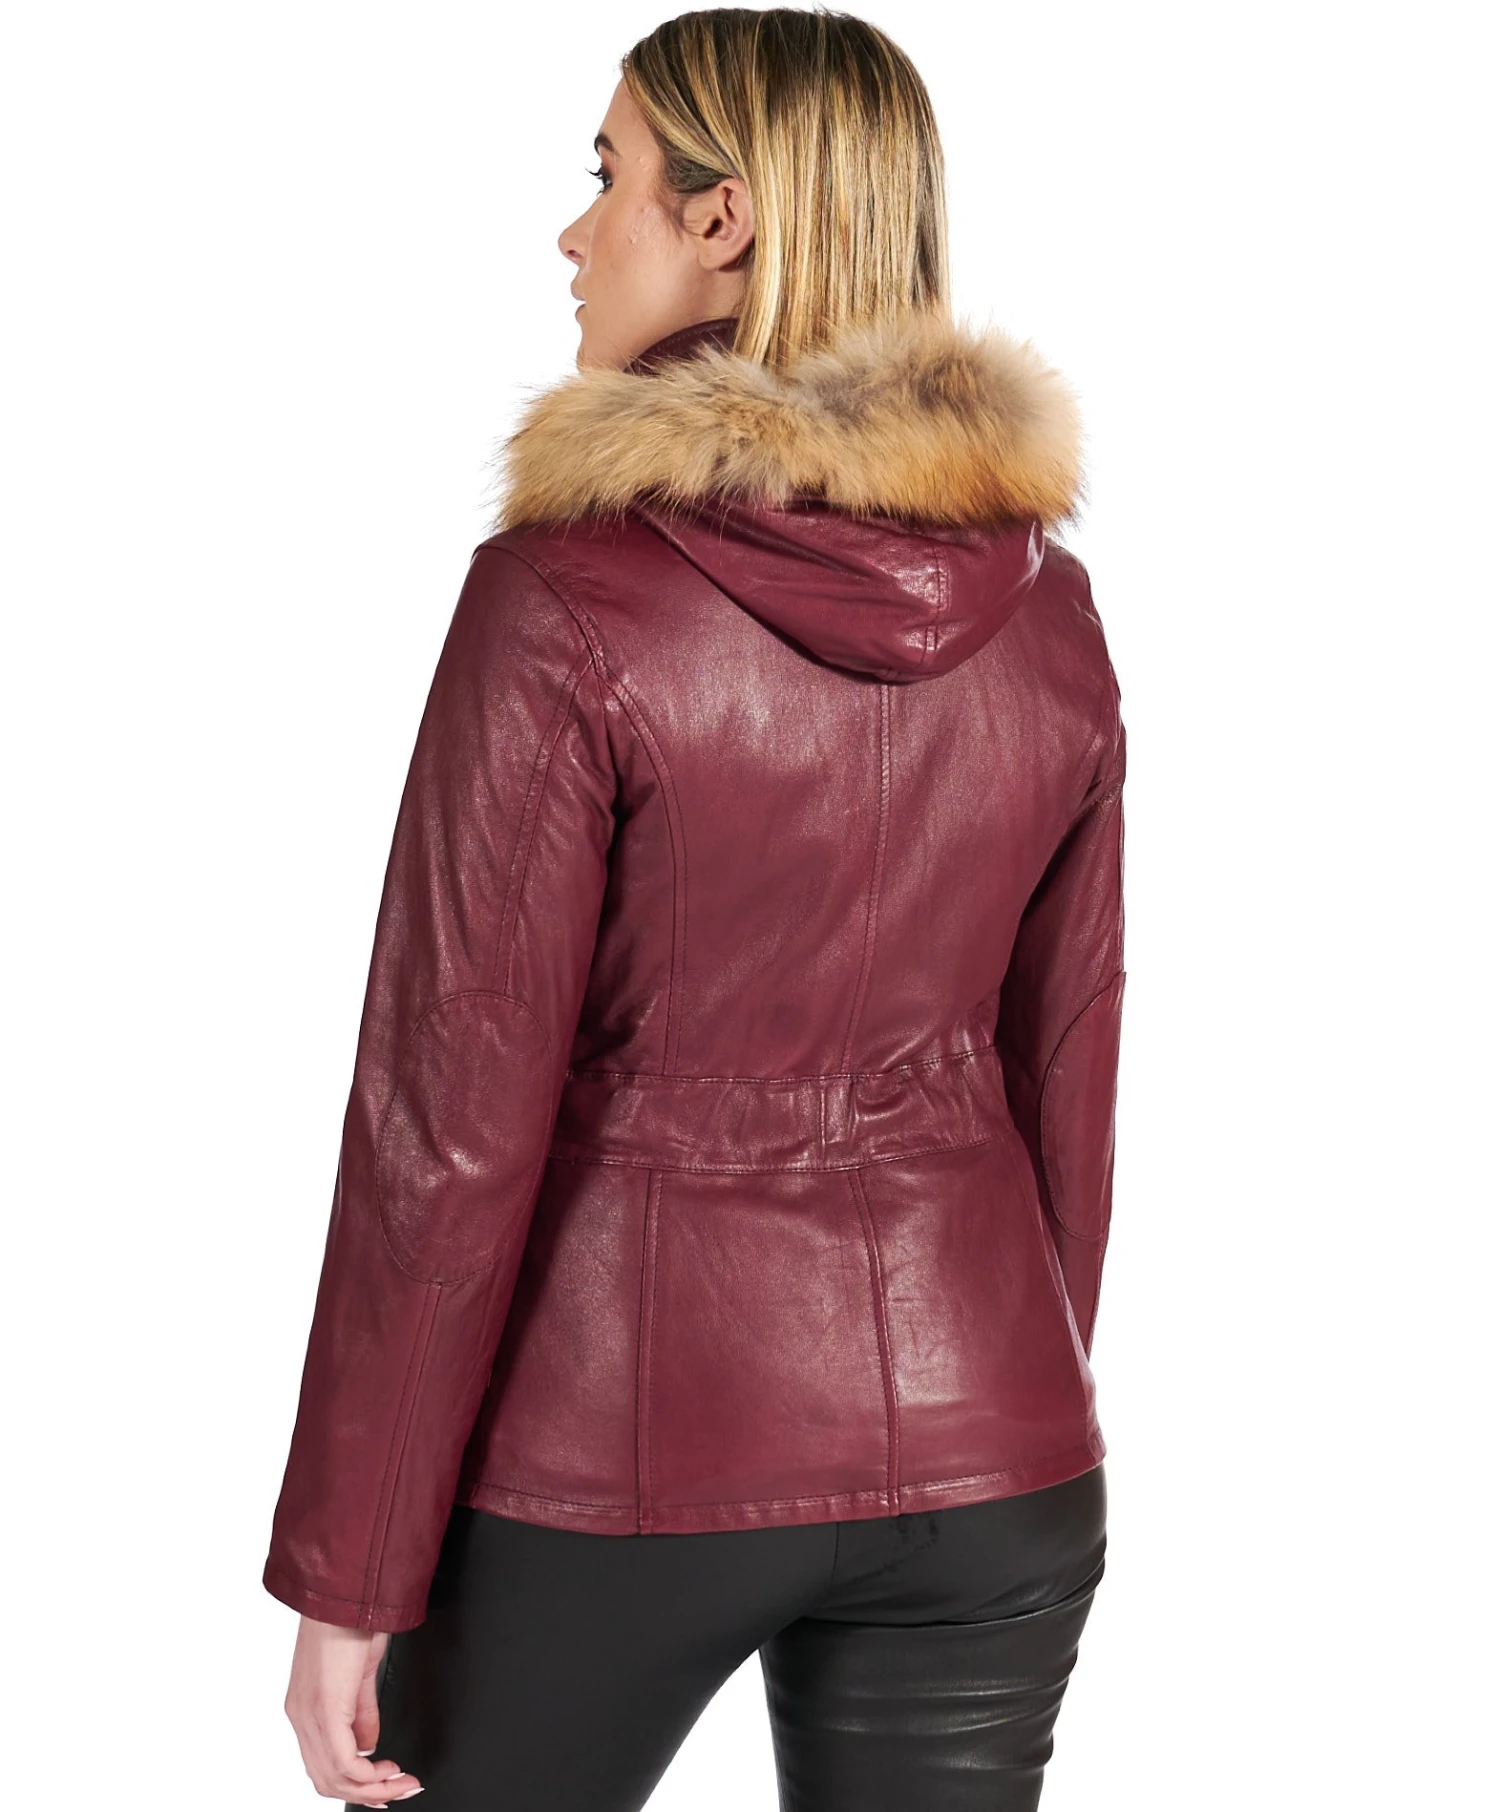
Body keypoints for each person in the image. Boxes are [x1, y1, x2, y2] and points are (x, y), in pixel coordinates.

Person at [262, 9, 1126, 1809]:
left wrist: (352, 1571)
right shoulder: (1050, 610)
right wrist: (1013, 1396)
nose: (573, 232)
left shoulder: (564, 599)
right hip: (995, 1452)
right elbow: (1067, 1059)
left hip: (625, 1448)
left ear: (724, 219)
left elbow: (447, 1118)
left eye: (610, 177)